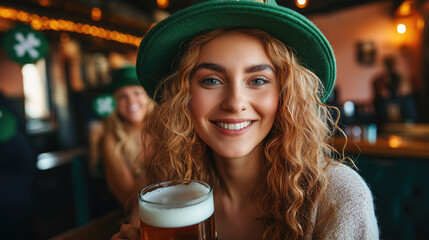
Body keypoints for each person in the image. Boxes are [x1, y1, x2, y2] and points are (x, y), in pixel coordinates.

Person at [112, 0, 379, 239]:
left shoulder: (338, 197)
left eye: (258, 80)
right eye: (211, 80)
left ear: (285, 93)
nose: (235, 102)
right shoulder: (165, 186)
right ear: (183, 96)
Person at [99, 65, 155, 206]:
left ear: (148, 96)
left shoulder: (167, 129)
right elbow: (129, 199)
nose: (131, 102)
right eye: (122, 96)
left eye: (137, 93)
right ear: (114, 103)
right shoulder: (111, 141)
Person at [372, 55, 418, 125]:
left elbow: (404, 92)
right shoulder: (379, 79)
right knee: (381, 102)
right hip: (386, 104)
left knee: (409, 100)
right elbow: (382, 94)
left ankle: (409, 123)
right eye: (388, 64)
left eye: (391, 64)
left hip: (400, 102)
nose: (390, 66)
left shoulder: (401, 77)